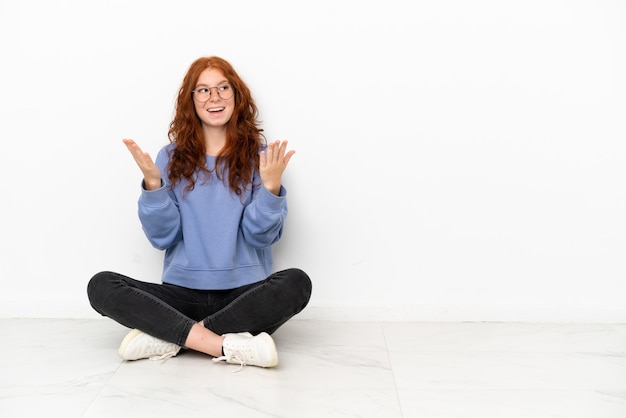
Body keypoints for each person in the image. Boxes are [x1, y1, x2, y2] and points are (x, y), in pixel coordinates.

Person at [87, 56, 312, 368]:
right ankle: (225, 344)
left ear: (237, 95)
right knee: (101, 286)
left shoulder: (260, 157)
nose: (214, 97)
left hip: (243, 297)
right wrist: (153, 185)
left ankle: (174, 336)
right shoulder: (170, 158)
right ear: (190, 101)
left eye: (222, 88)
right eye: (203, 90)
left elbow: (260, 238)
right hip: (181, 296)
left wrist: (271, 189)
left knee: (297, 283)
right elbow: (162, 236)